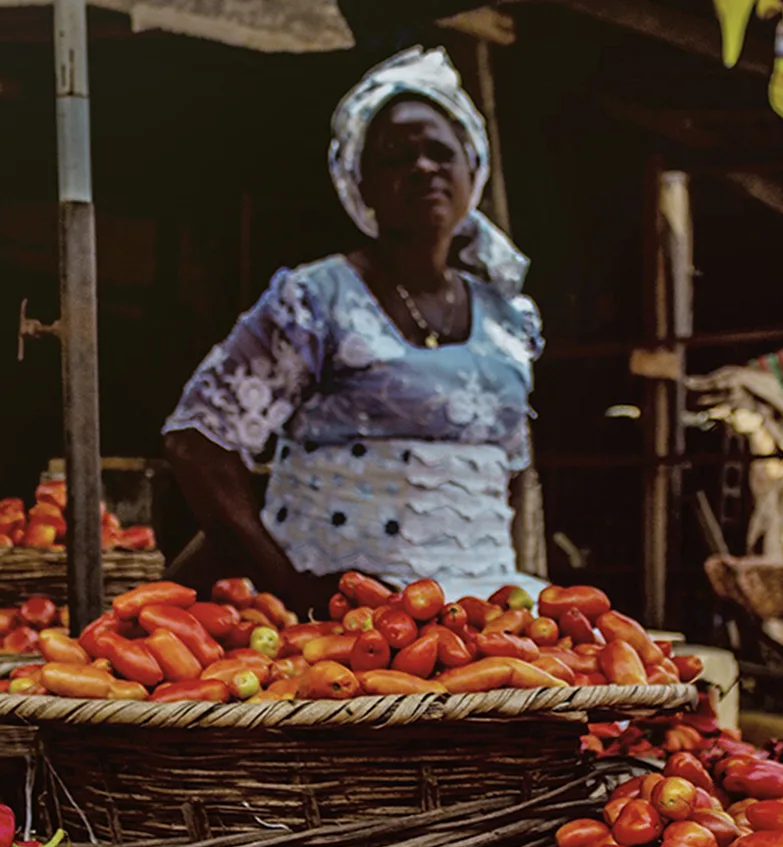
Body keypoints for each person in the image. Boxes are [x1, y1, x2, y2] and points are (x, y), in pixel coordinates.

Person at [164, 47, 546, 617]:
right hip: (339, 612)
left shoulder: (509, 319)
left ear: (474, 170)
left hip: (480, 606)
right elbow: (197, 444)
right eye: (396, 157)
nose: (424, 168)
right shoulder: (315, 301)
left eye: (441, 152)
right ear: (358, 182)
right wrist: (293, 588)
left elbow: (509, 475)